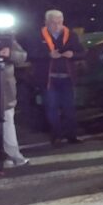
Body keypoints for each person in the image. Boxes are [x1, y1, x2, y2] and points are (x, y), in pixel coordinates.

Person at [26, 9, 85, 146]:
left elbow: (82, 52)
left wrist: (73, 55)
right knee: (51, 108)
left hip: (67, 78)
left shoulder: (71, 35)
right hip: (48, 79)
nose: (57, 25)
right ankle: (56, 136)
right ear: (46, 22)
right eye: (53, 23)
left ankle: (72, 135)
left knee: (69, 108)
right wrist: (48, 55)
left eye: (59, 22)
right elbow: (30, 54)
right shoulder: (37, 36)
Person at [0, 35, 29, 168]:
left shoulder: (4, 37)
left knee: (7, 123)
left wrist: (10, 53)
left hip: (5, 90)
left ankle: (13, 156)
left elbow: (22, 57)